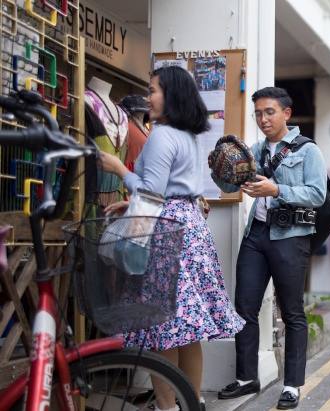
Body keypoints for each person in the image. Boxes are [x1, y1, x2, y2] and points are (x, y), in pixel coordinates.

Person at [99, 65, 245, 411]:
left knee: (158, 324)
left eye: (152, 90)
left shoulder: (162, 136)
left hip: (165, 232)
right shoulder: (187, 135)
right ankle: (192, 403)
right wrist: (131, 200)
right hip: (188, 227)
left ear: (172, 95)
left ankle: (167, 408)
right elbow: (169, 190)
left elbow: (151, 194)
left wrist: (120, 170)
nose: (148, 97)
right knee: (185, 329)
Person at [215, 87, 327, 410]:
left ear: (286, 114)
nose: (263, 119)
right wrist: (222, 165)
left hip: (290, 236)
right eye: (259, 113)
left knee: (292, 312)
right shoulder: (253, 150)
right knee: (244, 306)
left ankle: (291, 384)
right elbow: (228, 183)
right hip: (257, 234)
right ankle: (247, 376)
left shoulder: (307, 152)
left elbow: (317, 194)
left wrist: (276, 188)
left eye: (270, 112)